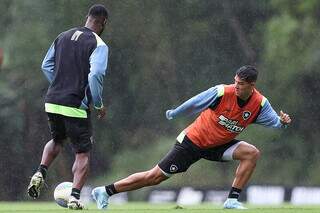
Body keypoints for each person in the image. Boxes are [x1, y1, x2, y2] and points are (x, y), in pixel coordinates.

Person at [91, 65, 291, 210]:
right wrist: (175, 113)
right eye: (235, 81)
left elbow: (274, 122)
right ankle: (105, 191)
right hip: (193, 142)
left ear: (251, 85)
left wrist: (282, 122)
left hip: (219, 146)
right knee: (154, 177)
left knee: (251, 153)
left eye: (240, 84)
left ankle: (231, 200)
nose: (235, 86)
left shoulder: (259, 103)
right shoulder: (222, 92)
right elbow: (195, 102)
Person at [27, 4, 109, 210]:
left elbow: (46, 65)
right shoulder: (99, 44)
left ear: (87, 18)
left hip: (52, 101)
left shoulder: (63, 36)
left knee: (57, 140)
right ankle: (74, 197)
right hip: (75, 104)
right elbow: (96, 74)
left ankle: (40, 171)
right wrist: (98, 103)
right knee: (82, 153)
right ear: (103, 23)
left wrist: (60, 83)